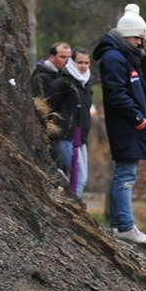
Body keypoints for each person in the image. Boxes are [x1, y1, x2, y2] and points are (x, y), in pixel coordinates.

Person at [93, 4, 146, 245]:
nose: (140, 43)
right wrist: (138, 118)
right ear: (124, 35)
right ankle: (125, 226)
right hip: (126, 126)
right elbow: (116, 94)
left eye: (142, 38)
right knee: (125, 175)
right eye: (136, 37)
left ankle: (117, 223)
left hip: (131, 126)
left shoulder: (127, 56)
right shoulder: (113, 57)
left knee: (123, 174)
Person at [47, 46, 94, 204]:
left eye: (87, 63)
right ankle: (74, 207)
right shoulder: (62, 83)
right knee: (78, 178)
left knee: (83, 178)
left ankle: (73, 205)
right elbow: (49, 107)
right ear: (72, 62)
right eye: (80, 62)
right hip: (65, 136)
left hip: (82, 137)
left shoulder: (87, 84)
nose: (83, 66)